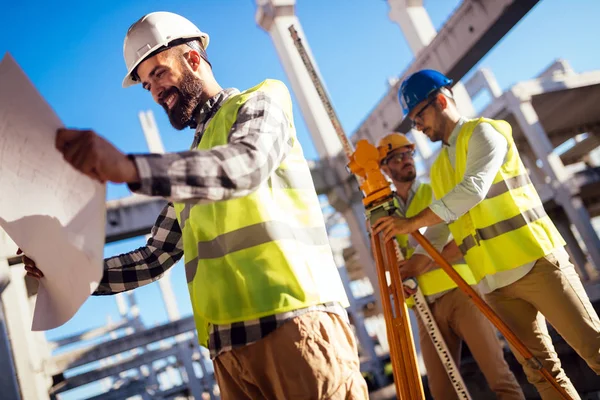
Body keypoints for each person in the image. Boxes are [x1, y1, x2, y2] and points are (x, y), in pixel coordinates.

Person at [22, 11, 368, 399]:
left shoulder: (261, 100)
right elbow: (154, 257)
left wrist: (128, 167)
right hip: (229, 352)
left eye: (159, 72)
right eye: (146, 84)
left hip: (293, 325)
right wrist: (62, 272)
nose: (154, 91)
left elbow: (245, 165)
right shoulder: (192, 163)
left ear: (192, 58)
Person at [372, 69, 600, 399]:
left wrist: (409, 224)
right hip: (495, 284)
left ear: (439, 100)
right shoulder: (439, 167)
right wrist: (415, 265)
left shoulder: (485, 133)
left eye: (418, 115)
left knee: (594, 349)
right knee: (542, 375)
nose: (417, 126)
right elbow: (440, 228)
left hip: (537, 264)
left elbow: (474, 189)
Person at [377, 133, 524, 400]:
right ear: (384, 168)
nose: (406, 161)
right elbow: (392, 264)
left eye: (408, 155)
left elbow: (459, 244)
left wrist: (421, 264)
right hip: (424, 305)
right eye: (397, 158)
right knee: (442, 393)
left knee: (498, 375)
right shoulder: (384, 213)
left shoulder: (434, 192)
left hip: (460, 292)